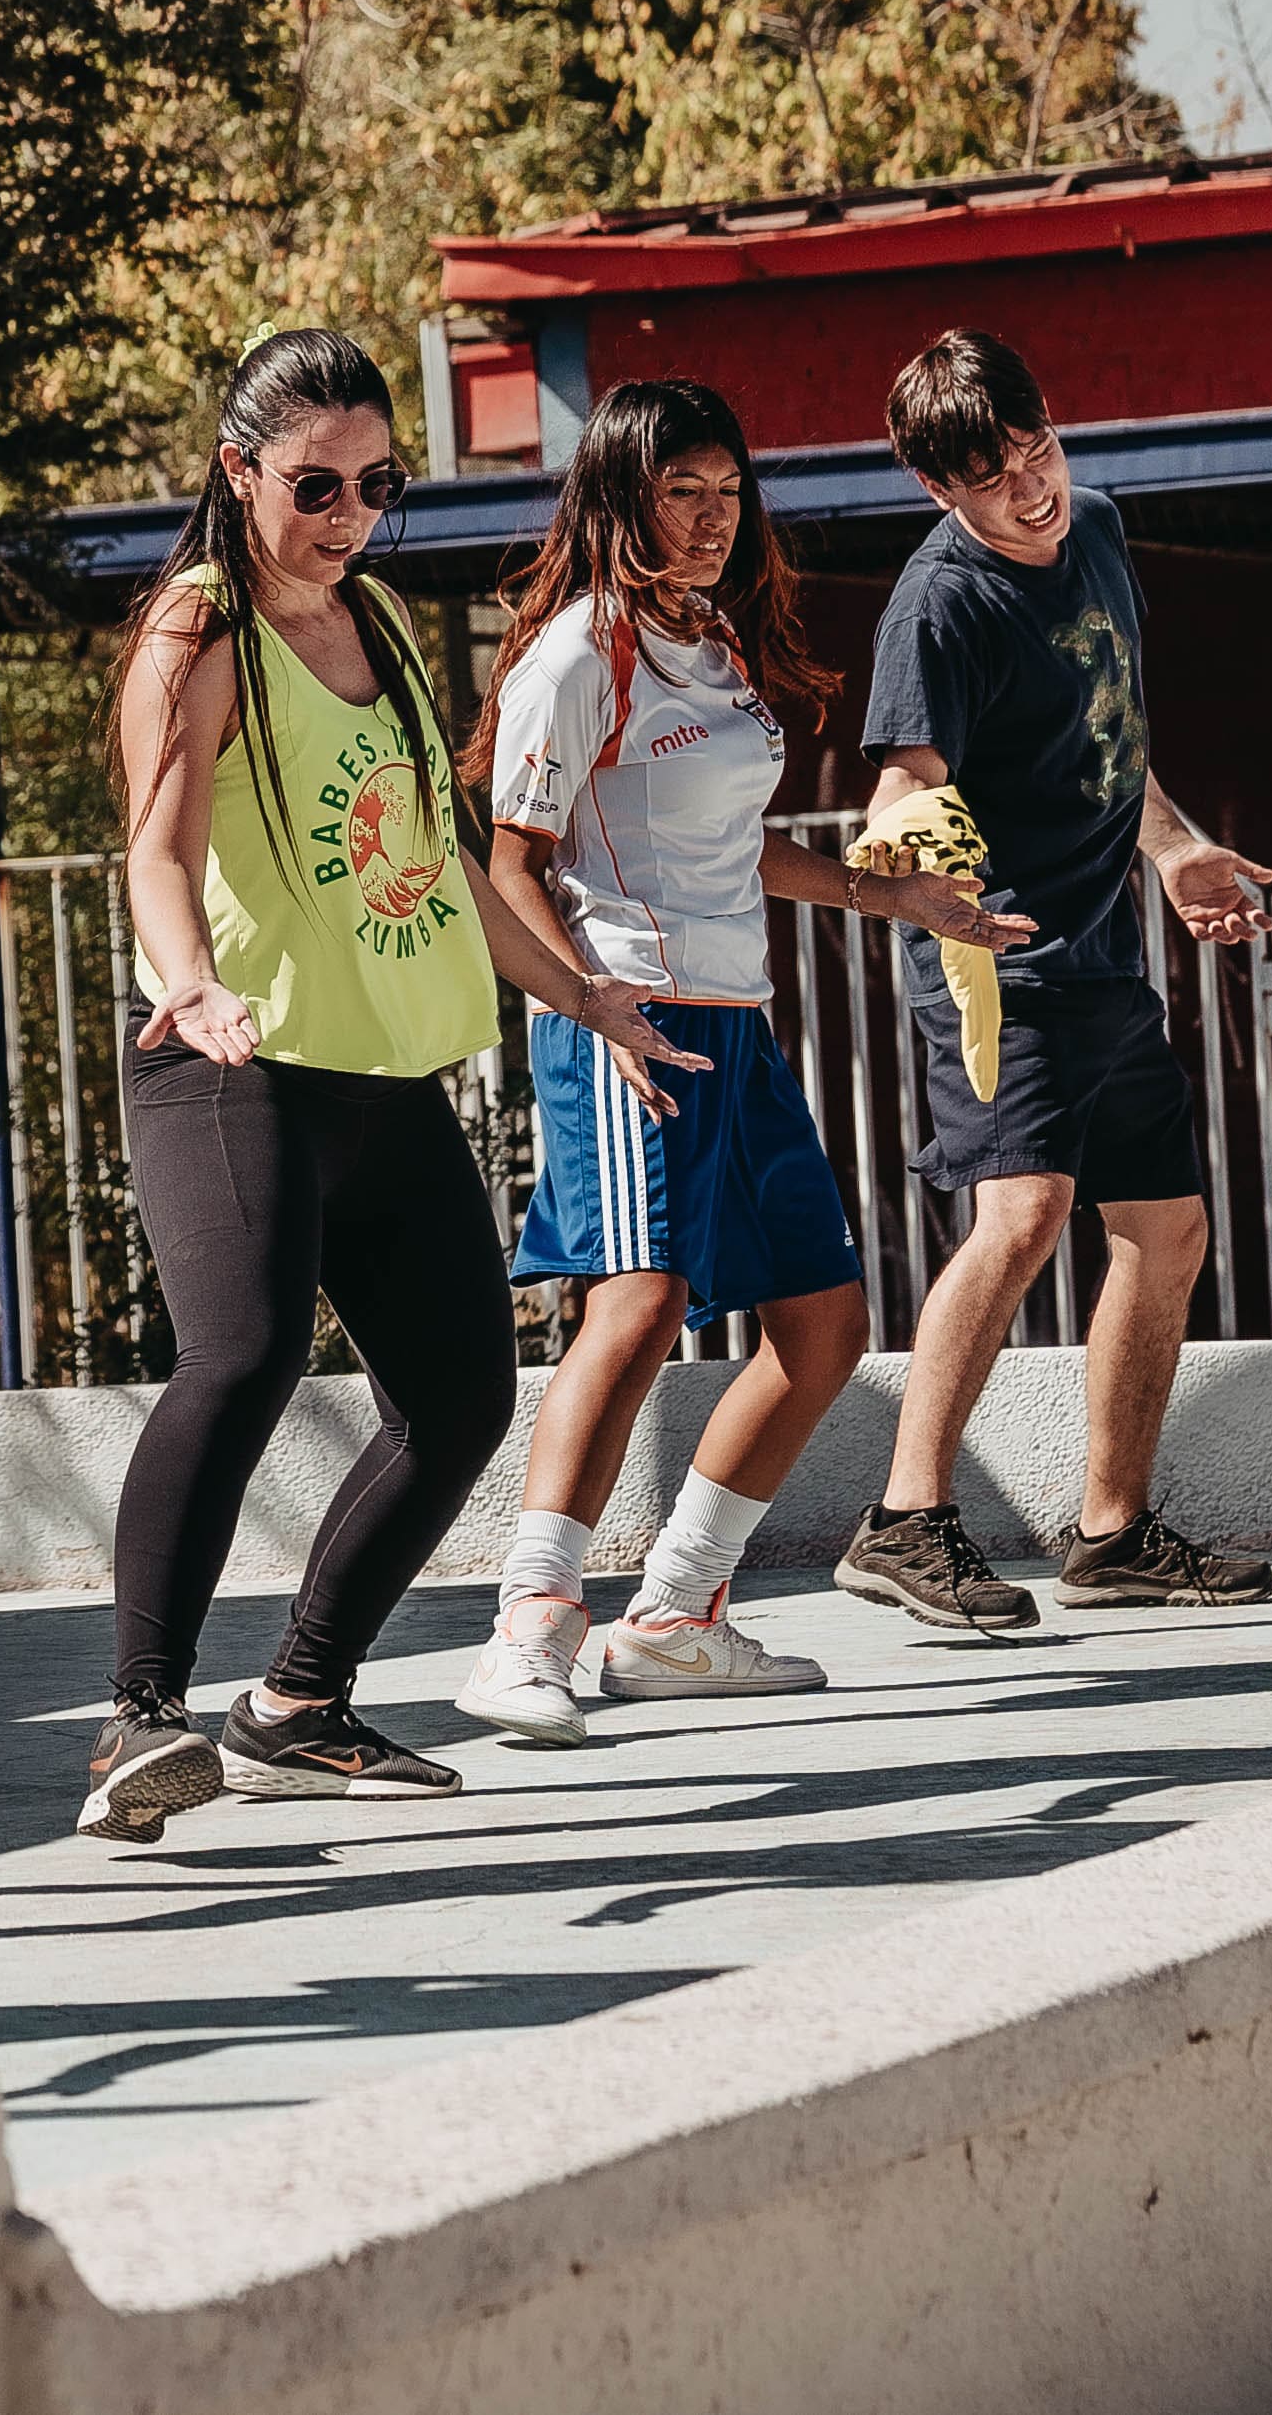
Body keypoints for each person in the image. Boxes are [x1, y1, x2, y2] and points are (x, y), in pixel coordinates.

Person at [74, 329, 708, 1845]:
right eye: (316, 485)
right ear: (238, 471)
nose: (349, 514)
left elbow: (450, 860)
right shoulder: (198, 628)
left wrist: (583, 994)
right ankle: (139, 1718)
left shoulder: (381, 626)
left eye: (377, 484)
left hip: (384, 1077)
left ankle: (297, 1705)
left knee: (462, 1394)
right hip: (235, 1064)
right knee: (240, 1357)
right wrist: (187, 978)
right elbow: (158, 845)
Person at [456, 380, 1031, 1742]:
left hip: (736, 1022)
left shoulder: (708, 640)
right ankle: (529, 1625)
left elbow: (734, 847)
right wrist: (592, 1001)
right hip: (624, 1016)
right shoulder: (576, 655)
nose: (714, 519)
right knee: (639, 1305)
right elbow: (510, 863)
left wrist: (893, 898)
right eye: (683, 494)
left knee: (824, 1322)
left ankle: (674, 1617)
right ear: (622, 499)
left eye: (728, 492)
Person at [833, 328, 1272, 1633]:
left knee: (1168, 1227)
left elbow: (1110, 731)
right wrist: (897, 843)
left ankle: (1114, 1531)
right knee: (1024, 1212)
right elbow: (903, 779)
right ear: (939, 490)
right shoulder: (938, 608)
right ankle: (903, 1519)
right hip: (992, 961)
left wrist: (1175, 848)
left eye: (1038, 452)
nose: (1033, 491)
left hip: (1100, 953)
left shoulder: (1100, 531)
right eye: (993, 480)